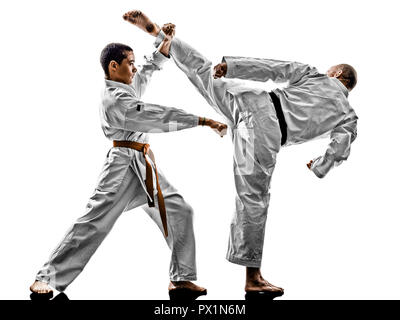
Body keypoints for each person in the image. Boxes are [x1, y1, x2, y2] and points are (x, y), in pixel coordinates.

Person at [123, 10, 358, 298]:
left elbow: (275, 68)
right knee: (252, 199)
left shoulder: (315, 76)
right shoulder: (348, 116)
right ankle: (253, 278)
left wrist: (230, 67)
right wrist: (319, 166)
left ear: (335, 74)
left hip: (249, 102)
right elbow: (339, 149)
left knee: (205, 72)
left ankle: (166, 41)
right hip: (262, 137)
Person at [29, 22, 228, 300]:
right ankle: (46, 277)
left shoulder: (125, 87)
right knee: (94, 222)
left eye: (133, 63)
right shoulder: (116, 100)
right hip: (122, 167)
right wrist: (202, 121)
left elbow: (146, 72)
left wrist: (165, 44)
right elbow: (157, 115)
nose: (134, 68)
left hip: (143, 164)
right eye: (129, 64)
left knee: (180, 210)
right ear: (113, 66)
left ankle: (181, 279)